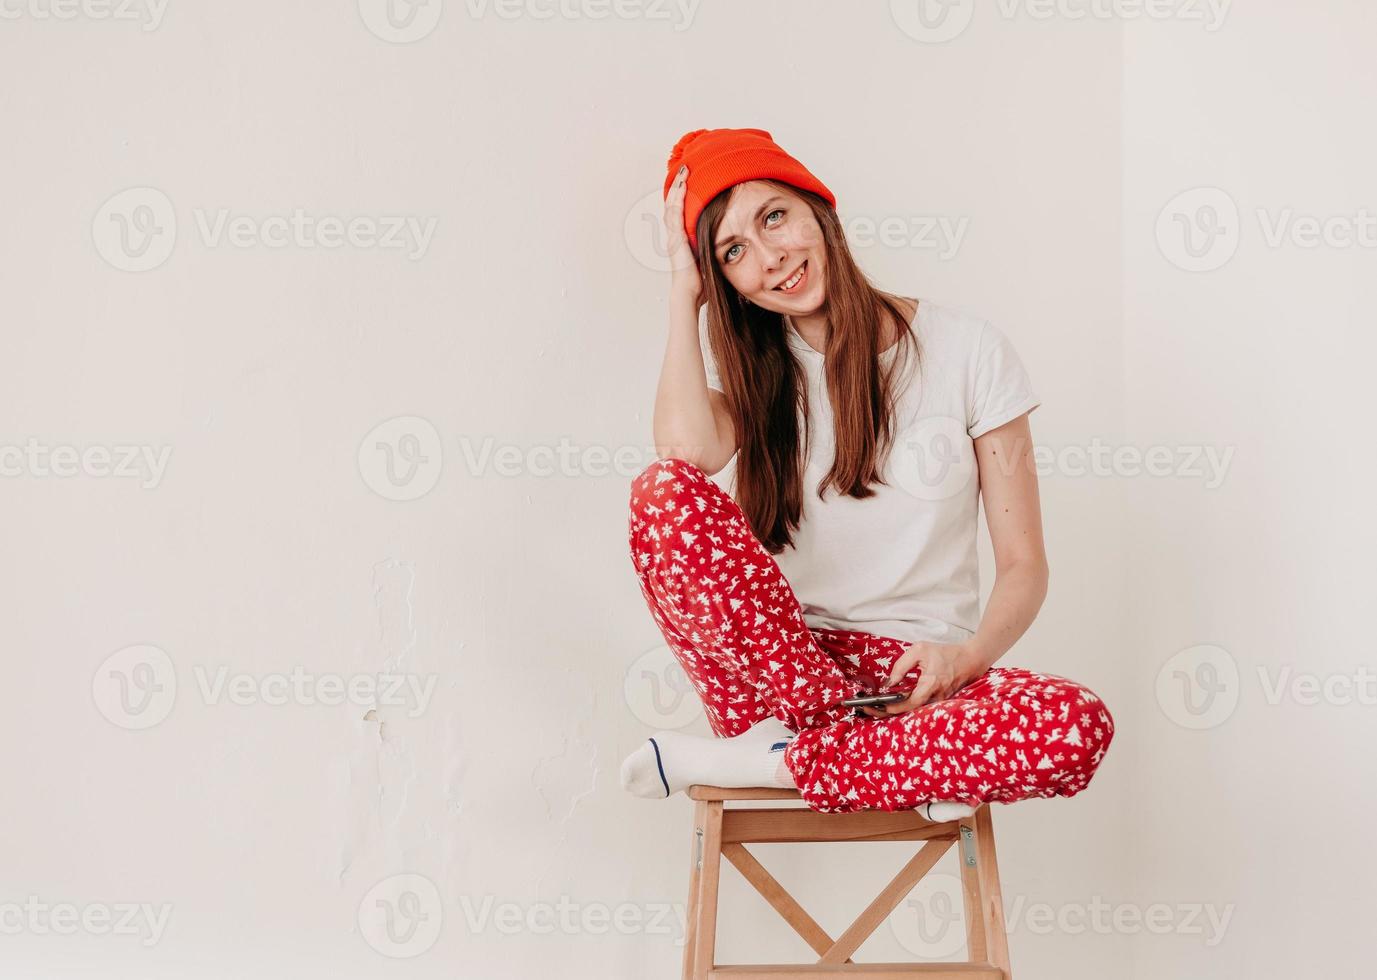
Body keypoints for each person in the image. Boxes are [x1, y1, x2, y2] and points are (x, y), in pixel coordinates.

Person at [620, 128, 1114, 817]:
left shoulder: (968, 349)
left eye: (773, 217)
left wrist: (966, 658)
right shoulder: (758, 377)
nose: (771, 258)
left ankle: (776, 765)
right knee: (662, 493)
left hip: (918, 677)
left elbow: (1024, 563)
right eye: (733, 252)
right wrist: (681, 289)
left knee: (1074, 724)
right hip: (777, 679)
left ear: (816, 208)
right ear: (722, 280)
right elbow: (682, 455)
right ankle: (899, 764)